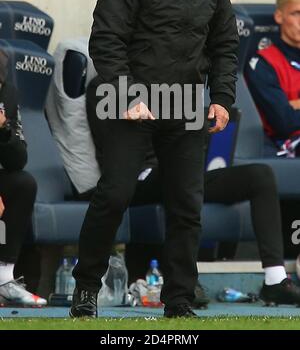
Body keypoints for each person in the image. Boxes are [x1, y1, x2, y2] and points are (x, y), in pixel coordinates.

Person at [71, 0, 238, 318]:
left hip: (184, 102)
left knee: (187, 204)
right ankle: (86, 287)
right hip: (129, 101)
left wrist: (220, 98)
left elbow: (224, 43)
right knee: (115, 194)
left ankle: (178, 298)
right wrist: (127, 94)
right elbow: (106, 39)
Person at [85, 79, 300, 307]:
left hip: (183, 171)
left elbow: (192, 137)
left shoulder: (174, 81)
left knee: (260, 175)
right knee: (175, 174)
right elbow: (116, 144)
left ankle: (275, 281)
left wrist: (207, 124)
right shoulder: (105, 84)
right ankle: (182, 281)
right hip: (138, 175)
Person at [0, 49, 47, 307]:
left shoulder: (8, 95)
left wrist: (4, 131)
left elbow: (18, 160)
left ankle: (4, 278)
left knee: (22, 183)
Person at [245, 0, 300, 153]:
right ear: (279, 16)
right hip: (286, 144)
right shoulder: (262, 63)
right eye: (296, 13)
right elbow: (285, 122)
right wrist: (290, 108)